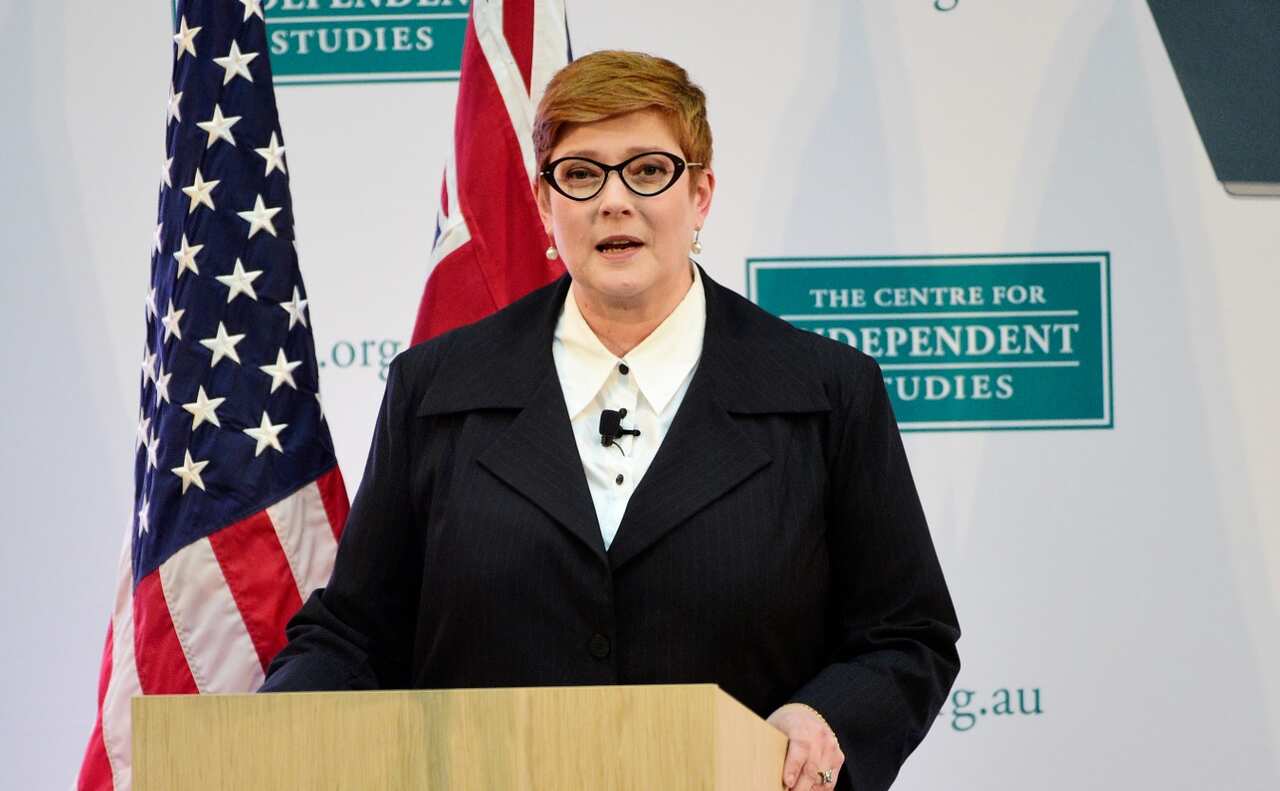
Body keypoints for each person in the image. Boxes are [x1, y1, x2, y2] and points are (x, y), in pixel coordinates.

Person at [262, 50, 960, 791]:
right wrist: (271, 726)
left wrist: (826, 718)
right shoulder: (437, 389)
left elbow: (907, 635)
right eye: (582, 173)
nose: (614, 201)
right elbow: (355, 631)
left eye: (649, 170)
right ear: (543, 202)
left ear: (701, 195)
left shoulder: (826, 392)